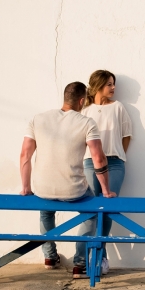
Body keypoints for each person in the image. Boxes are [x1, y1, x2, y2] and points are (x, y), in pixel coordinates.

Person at [19, 81, 117, 279]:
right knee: (90, 215)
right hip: (74, 190)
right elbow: (98, 158)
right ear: (81, 101)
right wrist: (106, 190)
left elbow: (24, 156)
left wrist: (26, 187)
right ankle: (79, 265)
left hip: (43, 188)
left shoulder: (38, 119)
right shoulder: (86, 122)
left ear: (65, 98)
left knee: (46, 212)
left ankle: (49, 257)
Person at [81, 70, 132, 275]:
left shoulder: (118, 107)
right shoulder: (85, 110)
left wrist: (117, 153)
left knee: (108, 207)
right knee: (91, 209)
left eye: (114, 84)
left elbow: (127, 135)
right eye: (109, 84)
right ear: (98, 85)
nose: (113, 88)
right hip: (89, 163)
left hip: (114, 163)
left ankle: (100, 257)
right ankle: (85, 257)